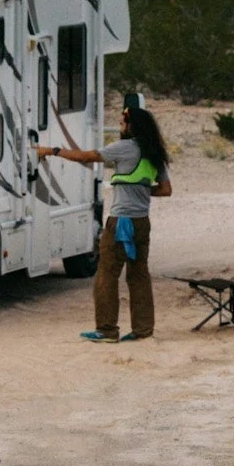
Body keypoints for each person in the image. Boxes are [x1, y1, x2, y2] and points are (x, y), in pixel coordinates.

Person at [39, 96, 171, 342]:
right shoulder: (155, 152)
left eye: (122, 123)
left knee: (107, 275)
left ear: (132, 126)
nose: (120, 126)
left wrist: (53, 151)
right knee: (139, 274)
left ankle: (107, 329)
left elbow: (86, 157)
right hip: (142, 222)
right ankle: (143, 330)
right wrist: (141, 191)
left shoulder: (124, 148)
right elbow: (165, 189)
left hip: (121, 221)